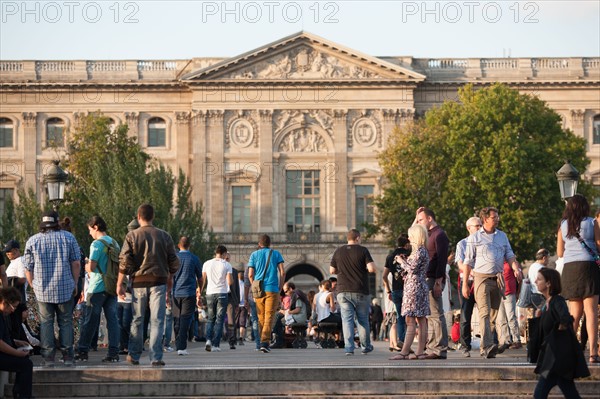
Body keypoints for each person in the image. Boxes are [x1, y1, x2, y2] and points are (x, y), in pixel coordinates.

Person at [117, 204, 180, 367]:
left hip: (138, 283)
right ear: (153, 217)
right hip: (158, 282)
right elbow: (174, 262)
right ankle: (156, 357)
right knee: (157, 320)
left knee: (137, 319)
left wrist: (120, 283)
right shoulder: (164, 236)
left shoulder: (132, 236)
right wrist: (169, 278)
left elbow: (123, 261)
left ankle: (134, 354)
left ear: (139, 217)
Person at [23, 210, 81, 366]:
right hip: (65, 287)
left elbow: (28, 268)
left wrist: (34, 285)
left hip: (42, 290)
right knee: (66, 322)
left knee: (46, 322)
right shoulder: (69, 238)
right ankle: (68, 356)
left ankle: (48, 358)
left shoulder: (32, 241)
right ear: (57, 222)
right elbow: (76, 263)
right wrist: (75, 283)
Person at [463, 206, 523, 359]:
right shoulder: (475, 238)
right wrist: (465, 284)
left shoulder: (502, 236)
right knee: (483, 312)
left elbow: (509, 254)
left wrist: (516, 268)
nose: (497, 219)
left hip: (498, 278)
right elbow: (468, 262)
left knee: (493, 314)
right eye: (494, 217)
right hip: (481, 278)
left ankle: (486, 345)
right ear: (485, 219)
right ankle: (488, 346)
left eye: (497, 216)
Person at [556, 194, 600, 364]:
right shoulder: (591, 222)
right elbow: (599, 244)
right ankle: (593, 353)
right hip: (588, 267)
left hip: (571, 269)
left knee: (574, 313)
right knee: (591, 312)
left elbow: (560, 253)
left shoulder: (563, 225)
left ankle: (568, 351)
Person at [533, 268, 589, 399]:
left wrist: (561, 327)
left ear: (548, 283)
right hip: (555, 359)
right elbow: (543, 332)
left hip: (557, 359)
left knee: (540, 394)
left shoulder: (557, 301)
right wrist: (539, 317)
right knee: (569, 392)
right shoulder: (546, 304)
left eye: (539, 279)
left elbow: (566, 318)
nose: (535, 281)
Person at [74, 216, 121, 363]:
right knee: (112, 320)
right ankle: (113, 353)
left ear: (95, 227)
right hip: (111, 286)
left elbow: (92, 267)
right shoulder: (114, 243)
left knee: (89, 320)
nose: (89, 233)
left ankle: (82, 351)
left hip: (97, 287)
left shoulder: (96, 244)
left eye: (90, 230)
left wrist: (85, 264)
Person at [330, 228, 376, 356]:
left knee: (347, 320)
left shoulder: (338, 251)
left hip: (343, 291)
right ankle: (365, 347)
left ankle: (349, 348)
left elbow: (332, 270)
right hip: (360, 289)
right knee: (362, 320)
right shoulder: (363, 250)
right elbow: (372, 269)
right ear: (358, 238)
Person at [389, 224, 430, 360]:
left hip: (414, 288)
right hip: (417, 286)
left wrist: (401, 261)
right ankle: (418, 352)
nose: (409, 237)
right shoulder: (421, 250)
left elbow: (412, 269)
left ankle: (405, 352)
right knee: (420, 320)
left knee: (411, 320)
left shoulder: (419, 251)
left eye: (410, 235)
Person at [414, 207, 449, 360]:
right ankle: (433, 346)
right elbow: (412, 231)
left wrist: (438, 282)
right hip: (426, 278)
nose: (419, 223)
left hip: (434, 278)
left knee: (436, 314)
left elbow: (441, 260)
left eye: (421, 220)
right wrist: (416, 217)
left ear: (429, 219)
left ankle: (439, 348)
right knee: (430, 315)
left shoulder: (439, 235)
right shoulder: (427, 234)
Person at [248, 234, 285, 353]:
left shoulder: (254, 255)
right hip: (272, 288)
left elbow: (250, 274)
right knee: (269, 316)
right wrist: (280, 287)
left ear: (259, 244)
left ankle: (261, 342)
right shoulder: (276, 254)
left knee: (260, 317)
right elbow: (282, 272)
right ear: (270, 244)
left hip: (258, 289)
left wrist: (254, 285)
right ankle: (265, 342)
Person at [0, 286, 33, 399]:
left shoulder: (3, 315)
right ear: (5, 302)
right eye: (12, 307)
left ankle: (19, 392)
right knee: (26, 365)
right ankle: (23, 396)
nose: (13, 310)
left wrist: (16, 342)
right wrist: (16, 352)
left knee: (25, 360)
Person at [172, 236, 202, 356]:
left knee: (177, 319)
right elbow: (200, 278)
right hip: (189, 293)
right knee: (185, 320)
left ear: (179, 245)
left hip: (175, 292)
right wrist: (200, 289)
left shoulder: (174, 258)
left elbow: (169, 276)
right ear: (189, 246)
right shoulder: (194, 259)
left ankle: (178, 344)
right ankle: (181, 347)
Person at [456, 216, 481, 357]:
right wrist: (472, 272)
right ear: (469, 228)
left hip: (483, 281)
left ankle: (489, 342)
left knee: (486, 313)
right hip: (469, 280)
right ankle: (465, 345)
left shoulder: (486, 242)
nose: (479, 228)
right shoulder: (462, 244)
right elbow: (460, 263)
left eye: (480, 225)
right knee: (466, 313)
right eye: (476, 226)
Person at [201, 244, 233, 352]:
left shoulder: (207, 263)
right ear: (224, 254)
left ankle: (208, 340)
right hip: (222, 294)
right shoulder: (227, 264)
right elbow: (230, 282)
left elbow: (203, 280)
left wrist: (199, 292)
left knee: (211, 318)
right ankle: (215, 345)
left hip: (209, 293)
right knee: (219, 320)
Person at [382, 234, 410, 349]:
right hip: (408, 290)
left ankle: (401, 340)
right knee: (410, 318)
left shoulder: (390, 256)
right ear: (407, 244)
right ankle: (403, 340)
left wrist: (388, 291)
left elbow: (384, 276)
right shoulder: (409, 254)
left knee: (399, 318)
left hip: (395, 290)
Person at [496, 261, 522, 351]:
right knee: (501, 319)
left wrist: (518, 292)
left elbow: (520, 279)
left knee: (511, 317)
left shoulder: (511, 262)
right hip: (499, 294)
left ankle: (516, 340)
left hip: (509, 293)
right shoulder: (496, 262)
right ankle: (507, 340)